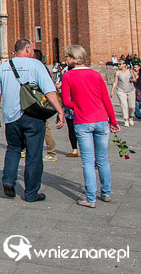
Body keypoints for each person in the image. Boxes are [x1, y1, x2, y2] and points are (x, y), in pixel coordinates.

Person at [0, 38, 65, 202]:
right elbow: (50, 91)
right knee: (34, 155)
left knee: (13, 149)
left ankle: (8, 181)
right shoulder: (36, 65)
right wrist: (60, 111)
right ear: (28, 49)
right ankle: (31, 194)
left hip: (11, 117)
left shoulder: (3, 67)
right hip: (33, 116)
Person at [60, 44, 120, 208]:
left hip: (83, 121)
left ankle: (91, 198)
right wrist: (113, 121)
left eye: (67, 57)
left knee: (87, 161)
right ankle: (106, 193)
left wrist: (77, 105)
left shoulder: (68, 76)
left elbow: (66, 101)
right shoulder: (96, 74)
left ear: (73, 58)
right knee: (102, 159)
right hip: (101, 119)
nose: (66, 59)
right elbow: (106, 99)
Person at [110, 59, 137, 126]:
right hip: (121, 91)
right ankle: (126, 120)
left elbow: (135, 79)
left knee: (132, 106)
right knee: (124, 105)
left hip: (131, 90)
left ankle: (130, 117)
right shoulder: (117, 72)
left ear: (124, 65)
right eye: (118, 64)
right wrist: (112, 91)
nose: (119, 65)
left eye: (120, 64)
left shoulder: (130, 71)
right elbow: (116, 82)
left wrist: (134, 79)